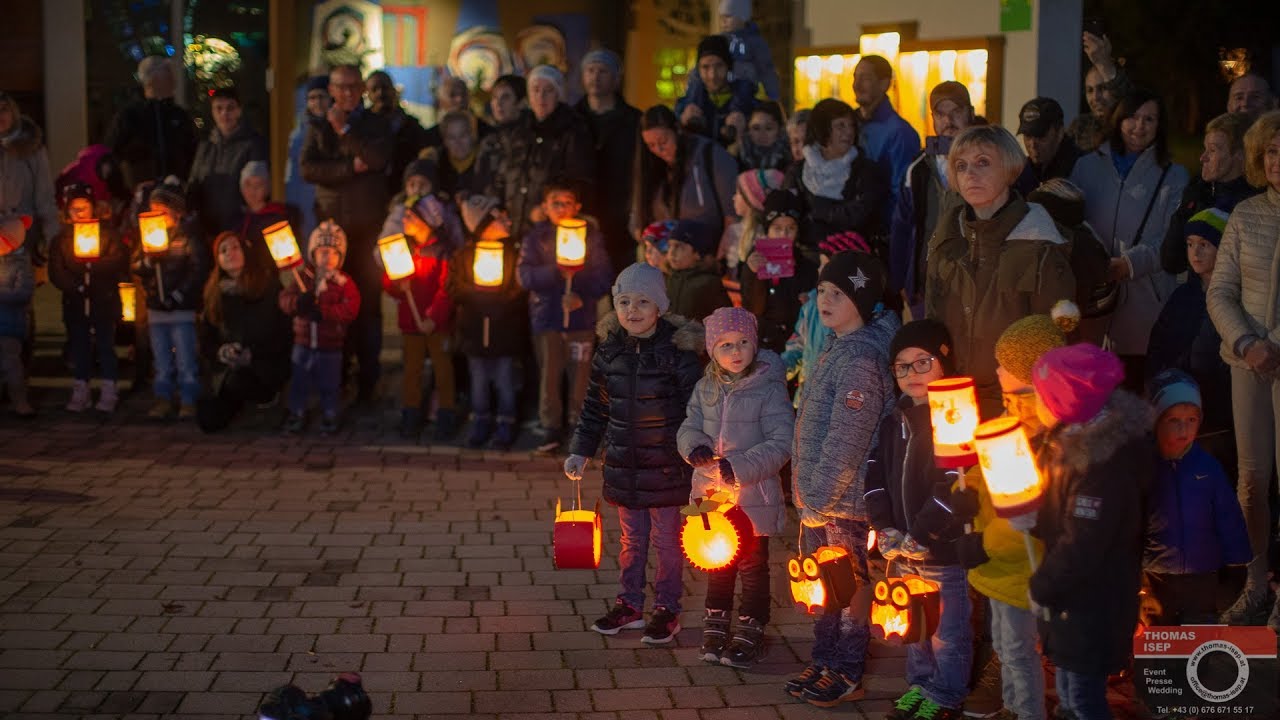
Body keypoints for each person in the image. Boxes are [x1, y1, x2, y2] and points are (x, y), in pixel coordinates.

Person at [565, 262, 703, 644]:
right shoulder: (609, 352)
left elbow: (697, 408)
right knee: (631, 542)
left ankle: (667, 607)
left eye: (643, 301)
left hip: (667, 468)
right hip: (624, 464)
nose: (633, 310)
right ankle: (629, 605)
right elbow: (595, 407)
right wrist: (581, 450)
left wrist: (699, 454)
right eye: (624, 301)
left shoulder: (677, 352)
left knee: (667, 542)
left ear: (659, 306)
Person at [787, 251, 900, 707]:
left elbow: (847, 439)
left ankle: (848, 668)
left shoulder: (862, 359)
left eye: (839, 293)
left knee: (848, 583)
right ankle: (824, 656)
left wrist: (817, 494)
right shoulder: (840, 347)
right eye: (822, 292)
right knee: (824, 582)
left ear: (864, 299)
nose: (825, 301)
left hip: (842, 500)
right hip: (820, 497)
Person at [1026, 344, 1151, 720]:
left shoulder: (1103, 468)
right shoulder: (1067, 442)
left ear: (1066, 401)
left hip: (1094, 604)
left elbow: (1082, 543)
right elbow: (1053, 515)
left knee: (1083, 698)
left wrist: (1043, 585)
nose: (1034, 403)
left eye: (1040, 395)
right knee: (1068, 693)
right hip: (1075, 605)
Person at [964, 312, 1074, 720]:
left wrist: (984, 543)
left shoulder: (1058, 449)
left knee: (1056, 652)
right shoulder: (1009, 429)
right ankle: (1015, 706)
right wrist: (965, 493)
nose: (1012, 407)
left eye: (1021, 396)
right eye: (1007, 396)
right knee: (1009, 648)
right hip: (1004, 575)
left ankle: (1040, 711)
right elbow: (981, 471)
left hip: (1035, 568)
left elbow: (1030, 519)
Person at [926, 125, 1075, 419]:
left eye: (983, 162)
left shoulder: (1040, 248)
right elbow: (932, 325)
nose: (971, 174)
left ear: (1010, 168)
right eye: (961, 166)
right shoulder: (946, 245)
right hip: (953, 405)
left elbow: (1056, 341)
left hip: (1017, 407)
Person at [867, 319, 973, 720]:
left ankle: (947, 693)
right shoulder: (896, 418)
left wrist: (924, 531)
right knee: (914, 624)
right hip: (902, 546)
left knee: (948, 631)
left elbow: (954, 486)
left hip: (941, 549)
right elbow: (875, 473)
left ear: (944, 361)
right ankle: (921, 684)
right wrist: (884, 526)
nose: (912, 374)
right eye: (902, 366)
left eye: (922, 362)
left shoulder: (955, 417)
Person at [679, 307, 792, 667]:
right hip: (712, 498)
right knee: (719, 562)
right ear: (712, 350)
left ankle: (751, 623)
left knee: (753, 565)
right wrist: (693, 447)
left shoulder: (769, 390)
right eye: (726, 344)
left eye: (743, 342)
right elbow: (689, 426)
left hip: (752, 497)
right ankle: (716, 619)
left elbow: (782, 442)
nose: (736, 351)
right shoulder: (705, 387)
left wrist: (738, 467)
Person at [1205, 109, 1280, 630]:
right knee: (1251, 482)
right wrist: (1249, 342)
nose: (1278, 161)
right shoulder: (1247, 214)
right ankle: (1256, 585)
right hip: (1249, 365)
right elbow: (1220, 290)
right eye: (1273, 151)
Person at [1070, 90, 1189, 388]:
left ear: (1160, 125)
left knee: (1140, 396)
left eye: (1149, 119)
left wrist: (1129, 263)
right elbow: (1071, 223)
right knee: (1094, 398)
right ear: (1118, 119)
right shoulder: (1086, 167)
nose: (1140, 126)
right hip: (1094, 302)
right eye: (1132, 117)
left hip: (1145, 303)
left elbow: (1172, 237)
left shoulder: (1173, 175)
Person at [300, 65, 392, 404]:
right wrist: (349, 168)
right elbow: (308, 169)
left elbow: (378, 158)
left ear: (363, 91)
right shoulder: (317, 126)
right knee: (332, 303)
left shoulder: (376, 123)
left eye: (355, 86)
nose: (349, 92)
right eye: (342, 87)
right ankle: (336, 376)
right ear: (333, 90)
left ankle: (369, 380)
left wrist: (346, 132)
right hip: (332, 233)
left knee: (367, 307)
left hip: (367, 228)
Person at [1144, 369, 1251, 625]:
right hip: (1156, 575)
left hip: (1203, 574)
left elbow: (1228, 516)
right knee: (1158, 643)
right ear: (1156, 420)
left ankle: (1197, 666)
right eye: (1173, 420)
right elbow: (1129, 522)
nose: (1184, 428)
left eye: (1191, 419)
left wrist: (1237, 564)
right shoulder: (1143, 467)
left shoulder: (1207, 467)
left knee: (1199, 645)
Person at [517, 179, 612, 454]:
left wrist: (582, 295)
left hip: (580, 320)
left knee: (581, 374)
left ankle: (580, 425)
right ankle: (550, 426)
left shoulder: (590, 236)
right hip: (547, 318)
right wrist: (555, 272)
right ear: (545, 207)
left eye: (566, 202)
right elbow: (524, 275)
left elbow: (603, 275)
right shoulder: (536, 238)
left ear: (577, 206)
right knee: (549, 373)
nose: (561, 208)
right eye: (555, 203)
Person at [1147, 209, 1234, 475]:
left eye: (1205, 245)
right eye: (1190, 244)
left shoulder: (1235, 299)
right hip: (1177, 404)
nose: (1195, 253)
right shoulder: (1182, 296)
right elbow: (1158, 343)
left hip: (1220, 411)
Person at [380, 162, 460, 442]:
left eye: (412, 218)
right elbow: (391, 287)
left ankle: (446, 414)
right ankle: (410, 412)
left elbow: (446, 290)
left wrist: (433, 317)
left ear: (427, 221)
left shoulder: (442, 253)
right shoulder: (404, 250)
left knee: (442, 368)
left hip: (435, 324)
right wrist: (395, 283)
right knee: (411, 369)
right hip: (410, 322)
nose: (405, 222)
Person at [890, 81, 975, 309]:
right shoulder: (918, 168)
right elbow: (902, 227)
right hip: (925, 284)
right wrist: (900, 282)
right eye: (940, 114)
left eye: (956, 112)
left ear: (971, 113)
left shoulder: (987, 161)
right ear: (933, 118)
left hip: (972, 284)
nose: (948, 121)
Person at [785, 98, 887, 287]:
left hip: (851, 268)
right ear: (823, 130)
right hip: (806, 266)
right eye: (840, 126)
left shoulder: (866, 171)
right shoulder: (798, 172)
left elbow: (860, 215)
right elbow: (788, 215)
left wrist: (817, 211)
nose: (848, 132)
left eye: (851, 126)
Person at [451, 197, 527, 450]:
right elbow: (454, 287)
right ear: (483, 225)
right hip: (474, 329)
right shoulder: (465, 256)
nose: (507, 220)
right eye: (499, 217)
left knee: (504, 378)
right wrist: (476, 295)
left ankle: (506, 419)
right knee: (479, 379)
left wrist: (501, 302)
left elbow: (519, 287)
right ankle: (481, 419)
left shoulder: (513, 254)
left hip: (503, 329)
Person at [484, 65, 594, 240]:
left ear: (558, 94)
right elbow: (503, 174)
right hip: (512, 226)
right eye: (535, 90)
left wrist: (547, 208)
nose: (541, 97)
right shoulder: (519, 131)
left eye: (548, 90)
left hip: (547, 230)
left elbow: (576, 179)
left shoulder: (573, 131)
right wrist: (498, 209)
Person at [196, 231, 291, 432]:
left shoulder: (267, 285)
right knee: (208, 419)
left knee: (238, 382)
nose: (230, 253)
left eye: (235, 247)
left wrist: (252, 354)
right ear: (218, 260)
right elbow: (207, 338)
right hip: (229, 369)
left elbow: (282, 333)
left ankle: (267, 402)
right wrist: (222, 352)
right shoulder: (215, 294)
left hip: (264, 365)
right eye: (223, 251)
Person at [49, 184, 128, 414]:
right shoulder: (61, 239)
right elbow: (57, 271)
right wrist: (76, 286)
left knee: (105, 344)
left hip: (103, 299)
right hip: (75, 302)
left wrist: (93, 266)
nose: (80, 212)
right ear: (67, 211)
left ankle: (109, 387)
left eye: (84, 207)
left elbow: (118, 260)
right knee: (80, 345)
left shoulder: (107, 234)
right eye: (74, 208)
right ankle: (81, 387)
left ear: (93, 208)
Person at [132, 179, 208, 420]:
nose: (157, 216)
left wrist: (178, 295)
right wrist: (147, 263)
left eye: (162, 212)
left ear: (176, 213)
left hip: (181, 310)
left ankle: (188, 398)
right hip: (156, 310)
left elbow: (198, 271)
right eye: (153, 210)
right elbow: (136, 267)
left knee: (185, 357)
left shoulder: (186, 239)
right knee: (162, 359)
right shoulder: (148, 239)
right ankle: (163, 398)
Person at [279, 220, 360, 435]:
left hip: (330, 345)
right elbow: (285, 299)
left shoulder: (344, 282)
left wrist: (325, 313)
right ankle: (297, 413)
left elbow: (350, 309)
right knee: (299, 381)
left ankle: (330, 414)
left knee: (330, 383)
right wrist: (298, 303)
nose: (328, 257)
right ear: (313, 254)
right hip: (303, 343)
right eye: (322, 251)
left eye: (334, 252)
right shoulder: (304, 278)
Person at [1159, 112, 1258, 275]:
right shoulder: (1198, 191)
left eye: (1212, 151)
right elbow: (1171, 261)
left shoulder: (1253, 203)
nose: (1202, 158)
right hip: (1196, 295)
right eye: (1205, 149)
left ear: (1239, 156)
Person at [781, 231, 869, 408]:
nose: (819, 270)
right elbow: (797, 346)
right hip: (807, 401)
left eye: (825, 265)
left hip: (842, 404)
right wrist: (774, 371)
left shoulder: (866, 313)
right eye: (820, 264)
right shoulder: (811, 307)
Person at [574, 49, 642, 275]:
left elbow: (639, 168)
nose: (595, 76)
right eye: (590, 70)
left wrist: (636, 209)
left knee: (621, 279)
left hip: (619, 212)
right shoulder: (572, 118)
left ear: (615, 78)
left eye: (602, 71)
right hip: (581, 211)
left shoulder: (633, 120)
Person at [630, 105, 737, 242]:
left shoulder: (710, 155)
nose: (659, 149)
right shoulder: (652, 168)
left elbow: (732, 213)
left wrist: (727, 244)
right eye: (651, 145)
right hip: (668, 254)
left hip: (706, 249)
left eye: (663, 141)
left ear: (677, 130)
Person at [105, 56, 198, 193]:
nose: (174, 80)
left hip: (177, 194)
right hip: (141, 195)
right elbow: (110, 155)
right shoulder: (130, 117)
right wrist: (121, 194)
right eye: (168, 73)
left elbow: (194, 154)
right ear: (152, 80)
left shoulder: (179, 116)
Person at [186, 86, 269, 238]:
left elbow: (258, 188)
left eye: (230, 108)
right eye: (219, 108)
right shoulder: (206, 147)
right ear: (212, 112)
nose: (224, 113)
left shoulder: (253, 144)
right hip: (207, 228)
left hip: (240, 227)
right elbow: (194, 183)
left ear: (239, 110)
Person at [852, 55, 921, 210]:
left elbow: (901, 195)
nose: (856, 85)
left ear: (884, 84)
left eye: (866, 78)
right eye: (855, 77)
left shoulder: (900, 133)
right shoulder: (849, 123)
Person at [0, 92, 60, 266]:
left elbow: (45, 196)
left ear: (13, 112)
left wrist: (52, 238)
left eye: (4, 110)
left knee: (20, 287)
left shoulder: (31, 149)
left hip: (24, 233)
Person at [739, 189, 802, 353]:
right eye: (777, 228)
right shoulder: (755, 260)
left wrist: (806, 299)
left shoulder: (803, 262)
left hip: (796, 339)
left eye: (791, 228)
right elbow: (753, 308)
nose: (784, 234)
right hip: (765, 341)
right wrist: (754, 275)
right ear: (767, 230)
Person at [675, 35, 756, 148]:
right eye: (705, 67)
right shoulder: (684, 106)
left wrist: (745, 130)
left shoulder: (749, 104)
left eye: (719, 66)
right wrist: (682, 124)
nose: (712, 75)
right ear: (698, 70)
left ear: (729, 67)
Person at [1066, 31, 1134, 153]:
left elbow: (1129, 98)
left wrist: (1103, 64)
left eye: (1103, 88)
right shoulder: (1079, 127)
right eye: (1089, 90)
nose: (1095, 97)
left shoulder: (1132, 124)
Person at [365, 70, 429, 198]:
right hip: (369, 195)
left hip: (403, 194)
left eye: (385, 88)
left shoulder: (411, 125)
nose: (380, 93)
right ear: (368, 94)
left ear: (393, 90)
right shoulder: (362, 125)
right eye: (374, 89)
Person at [285, 76, 330, 240]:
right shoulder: (298, 133)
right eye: (312, 98)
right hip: (303, 198)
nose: (317, 102)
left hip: (328, 197)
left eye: (321, 97)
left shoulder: (336, 126)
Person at [234, 161, 295, 274]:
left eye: (259, 185)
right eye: (248, 184)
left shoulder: (276, 218)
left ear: (267, 188)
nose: (253, 190)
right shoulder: (237, 220)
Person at [0, 213, 34, 418]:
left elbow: (23, 293)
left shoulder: (20, 265)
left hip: (9, 324)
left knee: (11, 364)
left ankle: (20, 402)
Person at [711, 0, 780, 100]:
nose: (723, 21)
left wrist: (774, 97)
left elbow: (767, 71)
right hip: (722, 97)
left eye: (728, 16)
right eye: (722, 17)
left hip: (748, 98)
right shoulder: (719, 41)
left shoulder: (756, 43)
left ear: (742, 17)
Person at [665, 219, 732, 322]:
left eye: (679, 247)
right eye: (669, 246)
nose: (671, 252)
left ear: (697, 253)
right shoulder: (670, 279)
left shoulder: (708, 284)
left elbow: (726, 320)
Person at [723, 167, 785, 275]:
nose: (733, 197)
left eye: (738, 193)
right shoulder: (733, 230)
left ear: (750, 200)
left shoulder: (767, 236)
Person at [1017, 97, 1080, 183]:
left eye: (1040, 136)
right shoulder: (1024, 171)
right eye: (1027, 136)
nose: (1033, 144)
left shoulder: (1080, 169)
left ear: (1060, 133)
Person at [432, 110, 489, 205]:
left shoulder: (488, 163)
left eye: (463, 135)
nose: (458, 143)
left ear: (473, 135)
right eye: (451, 138)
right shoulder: (436, 166)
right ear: (445, 141)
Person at [738, 101, 791, 172]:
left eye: (768, 128)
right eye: (756, 128)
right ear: (748, 130)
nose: (762, 134)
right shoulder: (738, 155)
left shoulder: (789, 158)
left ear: (779, 130)